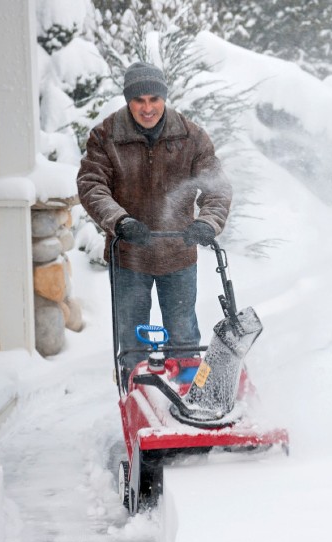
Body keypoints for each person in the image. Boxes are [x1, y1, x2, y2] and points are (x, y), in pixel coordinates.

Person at [77, 61, 231, 374]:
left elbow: (217, 188)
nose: (148, 108)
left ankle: (189, 396)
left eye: (154, 99)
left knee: (184, 335)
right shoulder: (106, 136)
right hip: (129, 256)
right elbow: (92, 186)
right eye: (139, 100)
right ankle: (138, 397)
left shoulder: (190, 136)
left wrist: (207, 222)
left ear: (164, 98)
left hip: (178, 255)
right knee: (133, 340)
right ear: (127, 100)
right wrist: (120, 221)